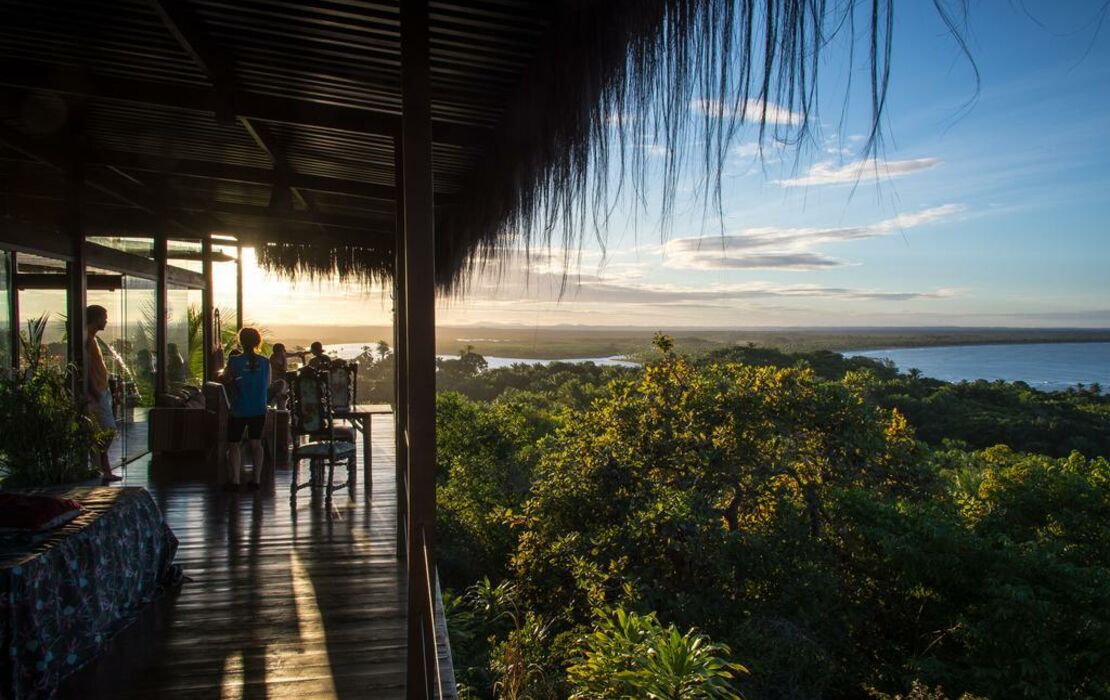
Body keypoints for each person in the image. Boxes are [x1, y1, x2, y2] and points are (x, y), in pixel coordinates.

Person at [220, 328, 270, 491]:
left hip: (239, 408)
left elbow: (226, 379)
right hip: (259, 408)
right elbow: (268, 384)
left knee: (234, 444)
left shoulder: (234, 361)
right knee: (256, 443)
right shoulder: (265, 362)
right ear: (258, 341)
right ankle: (256, 480)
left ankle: (234, 480)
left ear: (241, 342)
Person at [85, 305, 121, 483]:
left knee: (103, 432)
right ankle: (102, 469)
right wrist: (94, 392)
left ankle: (104, 470)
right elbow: (85, 369)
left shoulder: (92, 338)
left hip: (100, 391)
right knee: (109, 430)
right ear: (96, 318)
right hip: (96, 394)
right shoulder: (86, 339)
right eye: (104, 317)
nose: (106, 320)